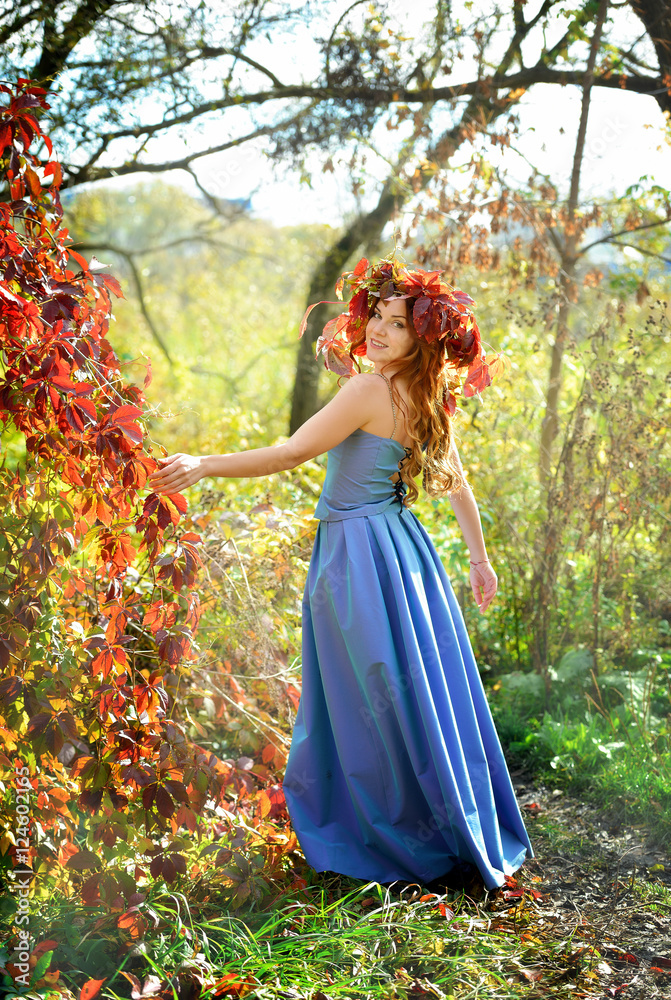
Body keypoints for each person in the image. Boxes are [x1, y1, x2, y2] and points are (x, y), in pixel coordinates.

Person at [148, 254, 533, 892]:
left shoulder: (367, 391)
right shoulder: (425, 392)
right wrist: (478, 556)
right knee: (404, 686)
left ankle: (380, 830)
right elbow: (456, 482)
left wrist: (204, 463)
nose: (380, 331)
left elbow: (293, 451)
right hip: (404, 549)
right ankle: (432, 819)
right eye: (377, 317)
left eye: (398, 325)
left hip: (355, 553)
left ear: (424, 338)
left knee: (360, 696)